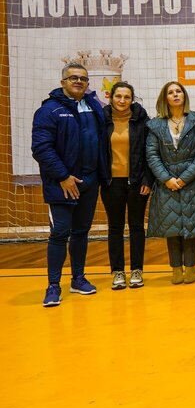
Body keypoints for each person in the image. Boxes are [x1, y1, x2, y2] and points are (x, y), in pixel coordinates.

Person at [32, 62, 110, 307]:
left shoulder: (94, 106)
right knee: (60, 233)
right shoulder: (49, 110)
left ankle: (78, 279)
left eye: (83, 79)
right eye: (73, 77)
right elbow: (41, 148)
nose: (78, 81)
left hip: (90, 181)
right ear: (62, 82)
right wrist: (63, 176)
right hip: (62, 184)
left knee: (80, 232)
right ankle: (53, 286)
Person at [146, 81, 195, 285]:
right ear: (165, 98)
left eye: (179, 91)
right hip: (166, 182)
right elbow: (152, 155)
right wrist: (167, 179)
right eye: (171, 92)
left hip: (192, 181)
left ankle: (191, 268)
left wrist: (184, 178)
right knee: (172, 228)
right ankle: (176, 269)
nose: (175, 95)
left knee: (191, 228)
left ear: (184, 96)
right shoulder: (155, 124)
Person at [101, 82, 152, 290]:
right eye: (118, 96)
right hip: (111, 182)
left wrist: (147, 180)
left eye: (127, 97)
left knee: (137, 226)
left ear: (132, 99)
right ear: (111, 97)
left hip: (137, 182)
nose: (122, 100)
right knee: (115, 227)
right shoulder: (101, 120)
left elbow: (150, 152)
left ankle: (137, 270)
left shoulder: (142, 121)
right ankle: (118, 272)